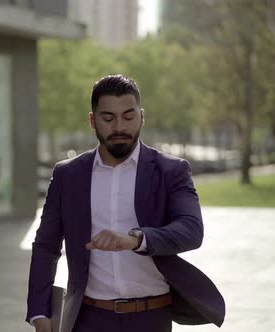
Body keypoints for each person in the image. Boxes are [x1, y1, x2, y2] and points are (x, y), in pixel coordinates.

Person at [26, 75, 225, 332]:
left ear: (141, 117)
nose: (119, 127)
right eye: (108, 118)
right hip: (88, 318)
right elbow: (46, 246)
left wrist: (136, 240)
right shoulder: (68, 175)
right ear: (92, 120)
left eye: (128, 117)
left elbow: (191, 230)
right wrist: (39, 311)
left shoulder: (171, 171)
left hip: (151, 317)